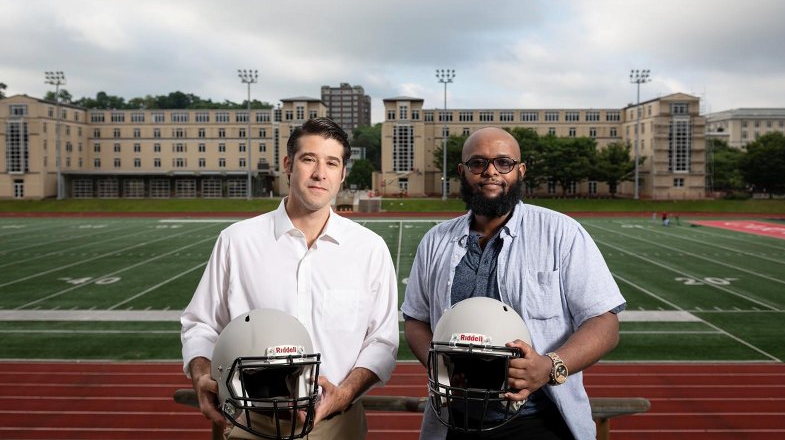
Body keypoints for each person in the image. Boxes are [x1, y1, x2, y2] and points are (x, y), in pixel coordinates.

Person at [181, 117, 399, 439]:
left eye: (331, 163)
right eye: (308, 159)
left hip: (337, 424)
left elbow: (382, 340)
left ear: (342, 174)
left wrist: (344, 393)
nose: (319, 173)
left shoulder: (369, 249)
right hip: (248, 422)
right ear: (288, 164)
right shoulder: (237, 241)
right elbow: (200, 324)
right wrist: (200, 375)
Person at [402, 127, 626, 440]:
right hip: (455, 419)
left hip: (541, 421)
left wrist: (548, 367)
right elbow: (416, 318)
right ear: (462, 171)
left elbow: (604, 322)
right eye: (478, 163)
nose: (490, 172)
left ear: (520, 171)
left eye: (503, 163)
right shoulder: (435, 241)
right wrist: (438, 365)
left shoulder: (561, 233)